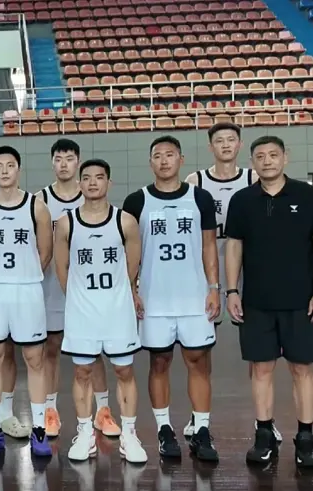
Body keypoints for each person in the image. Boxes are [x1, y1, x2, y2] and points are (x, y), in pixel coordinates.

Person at [122, 136, 220, 462]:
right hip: (155, 299)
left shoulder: (200, 197)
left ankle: (202, 430)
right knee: (159, 362)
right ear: (150, 162)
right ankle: (164, 430)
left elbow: (209, 245)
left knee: (198, 361)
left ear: (181, 159)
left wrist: (214, 287)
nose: (164, 161)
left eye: (169, 155)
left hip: (194, 297)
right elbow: (129, 251)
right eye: (157, 156)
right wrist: (131, 289)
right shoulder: (137, 201)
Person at [225, 135, 313, 467]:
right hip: (257, 302)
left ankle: (306, 438)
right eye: (260, 156)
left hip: (300, 301)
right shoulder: (242, 200)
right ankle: (264, 434)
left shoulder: (306, 195)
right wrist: (232, 290)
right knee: (261, 368)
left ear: (285, 158)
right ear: (252, 163)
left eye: (273, 155)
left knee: (302, 369)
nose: (267, 161)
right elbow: (234, 245)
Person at [184, 123, 276, 440]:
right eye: (219, 140)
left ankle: (263, 419)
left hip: (247, 264)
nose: (225, 145)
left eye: (231, 140)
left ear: (239, 145)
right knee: (200, 346)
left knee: (258, 348)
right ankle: (198, 416)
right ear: (210, 147)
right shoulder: (195, 181)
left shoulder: (253, 178)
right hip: (206, 265)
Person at [54, 159, 147, 464]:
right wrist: (77, 297)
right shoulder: (66, 223)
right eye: (87, 178)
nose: (93, 182)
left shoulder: (125, 221)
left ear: (109, 182)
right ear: (79, 183)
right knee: (82, 372)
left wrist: (120, 292)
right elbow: (61, 267)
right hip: (83, 311)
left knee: (124, 371)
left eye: (99, 177)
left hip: (117, 310)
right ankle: (84, 433)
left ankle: (129, 434)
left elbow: (132, 265)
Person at [0, 146, 54, 459]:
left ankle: (40, 429)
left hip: (26, 290)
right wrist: (0, 276)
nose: (5, 171)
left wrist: (24, 275)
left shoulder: (37, 207)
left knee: (34, 359)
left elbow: (45, 253)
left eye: (10, 165)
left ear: (19, 169)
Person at [37, 139, 118, 439]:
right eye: (58, 159)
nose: (64, 164)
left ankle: (103, 411)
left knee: (93, 350)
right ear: (52, 163)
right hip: (52, 286)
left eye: (69, 158)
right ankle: (50, 410)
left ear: (78, 162)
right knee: (51, 347)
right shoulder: (40, 200)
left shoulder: (94, 197)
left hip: (89, 287)